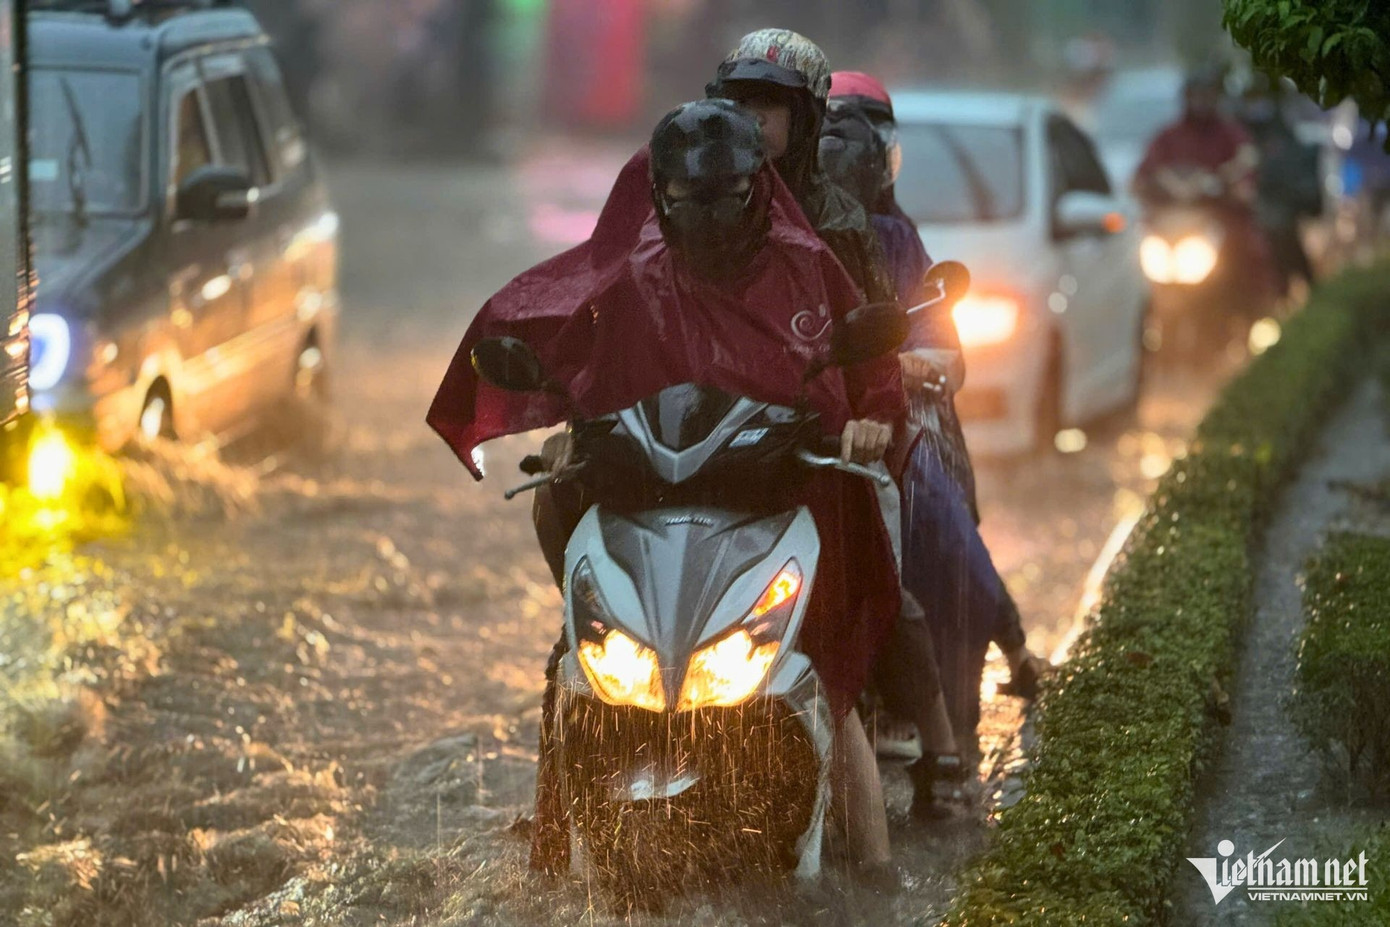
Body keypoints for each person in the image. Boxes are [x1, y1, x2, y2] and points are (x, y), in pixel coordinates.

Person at [426, 100, 906, 881]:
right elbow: (590, 374)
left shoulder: (806, 267)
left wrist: (870, 420)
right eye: (689, 200)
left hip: (779, 498)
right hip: (649, 502)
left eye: (727, 197)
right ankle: (552, 852)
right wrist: (570, 431)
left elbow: (871, 367)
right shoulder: (636, 278)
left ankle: (877, 873)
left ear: (757, 189)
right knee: (575, 663)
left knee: (821, 672)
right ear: (662, 198)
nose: (709, 217)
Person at [825, 72, 1050, 763]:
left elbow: (938, 342)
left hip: (885, 414)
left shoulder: (893, 237)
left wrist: (910, 366)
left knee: (938, 521)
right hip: (808, 415)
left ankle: (965, 703)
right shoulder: (771, 237)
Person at [1134, 67, 1278, 309]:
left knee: (1250, 252)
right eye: (1195, 96)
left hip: (1221, 219)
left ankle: (1255, 309)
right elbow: (1142, 176)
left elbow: (1247, 167)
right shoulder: (1168, 136)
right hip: (1175, 226)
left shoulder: (1230, 134)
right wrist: (1150, 187)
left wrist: (1237, 187)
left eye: (1205, 96)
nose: (1200, 102)